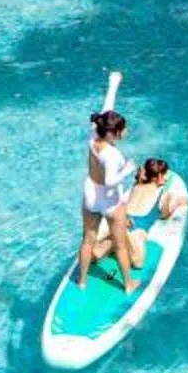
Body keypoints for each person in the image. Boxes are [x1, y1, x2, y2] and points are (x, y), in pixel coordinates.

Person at [75, 106, 141, 292]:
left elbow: (106, 109)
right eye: (123, 128)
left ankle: (82, 281)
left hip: (91, 196)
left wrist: (113, 85)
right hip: (110, 200)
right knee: (120, 245)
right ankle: (128, 284)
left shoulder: (94, 134)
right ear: (113, 133)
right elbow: (110, 181)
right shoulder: (112, 155)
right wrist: (127, 170)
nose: (126, 131)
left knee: (88, 240)